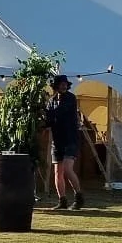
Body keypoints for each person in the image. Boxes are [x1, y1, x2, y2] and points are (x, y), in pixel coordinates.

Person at [45, 74, 84, 211]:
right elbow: (48, 120)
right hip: (57, 140)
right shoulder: (51, 101)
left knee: (68, 169)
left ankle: (78, 196)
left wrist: (45, 112)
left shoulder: (70, 98)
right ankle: (62, 200)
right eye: (61, 84)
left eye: (65, 84)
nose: (63, 85)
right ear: (56, 86)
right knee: (58, 172)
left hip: (70, 139)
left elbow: (60, 112)